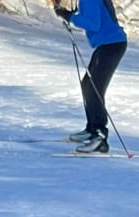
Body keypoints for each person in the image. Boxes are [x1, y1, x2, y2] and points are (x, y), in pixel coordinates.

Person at [54, 0, 127, 154]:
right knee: (87, 85)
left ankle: (99, 136)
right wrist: (70, 15)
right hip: (108, 44)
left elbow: (93, 24)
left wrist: (69, 16)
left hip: (111, 45)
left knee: (94, 89)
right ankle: (92, 129)